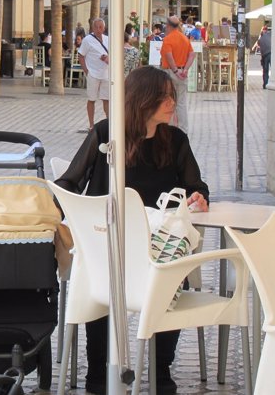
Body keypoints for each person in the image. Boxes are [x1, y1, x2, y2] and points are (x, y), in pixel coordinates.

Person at [54, 66, 209, 395]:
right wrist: (50, 209)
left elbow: (197, 186)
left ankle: (160, 370)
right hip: (106, 243)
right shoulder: (106, 135)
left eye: (172, 96)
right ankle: (98, 372)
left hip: (156, 248)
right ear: (142, 100)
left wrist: (199, 197)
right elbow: (69, 182)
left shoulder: (175, 141)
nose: (171, 102)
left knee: (170, 271)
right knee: (103, 278)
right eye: (164, 96)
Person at [160, 16, 195, 133]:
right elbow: (192, 55)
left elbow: (168, 56)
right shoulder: (184, 38)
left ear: (168, 25)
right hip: (182, 73)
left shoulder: (168, 39)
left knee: (168, 101)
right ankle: (183, 129)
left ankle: (169, 128)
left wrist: (175, 70)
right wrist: (185, 70)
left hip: (170, 72)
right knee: (181, 103)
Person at [78, 18, 109, 128]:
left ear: (104, 28)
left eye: (100, 27)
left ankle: (108, 123)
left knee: (107, 99)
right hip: (93, 73)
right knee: (92, 99)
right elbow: (81, 55)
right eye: (96, 27)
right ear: (92, 28)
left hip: (106, 73)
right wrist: (87, 71)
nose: (98, 29)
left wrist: (107, 58)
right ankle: (91, 124)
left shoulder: (107, 39)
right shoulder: (87, 40)